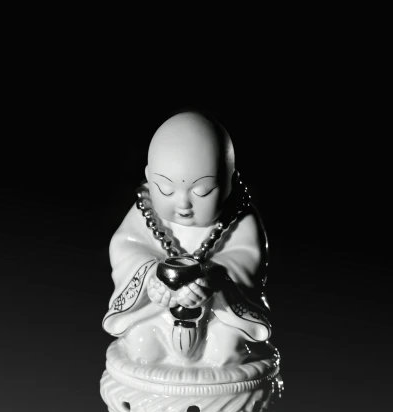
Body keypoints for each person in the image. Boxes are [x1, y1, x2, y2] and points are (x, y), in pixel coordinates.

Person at [103, 112, 272, 367]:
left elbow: (247, 259)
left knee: (227, 354)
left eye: (202, 191)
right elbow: (126, 247)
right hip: (157, 310)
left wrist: (213, 279)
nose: (183, 203)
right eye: (166, 190)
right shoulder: (145, 211)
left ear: (229, 181)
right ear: (150, 178)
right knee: (142, 351)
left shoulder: (239, 215)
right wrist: (153, 277)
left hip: (220, 314)